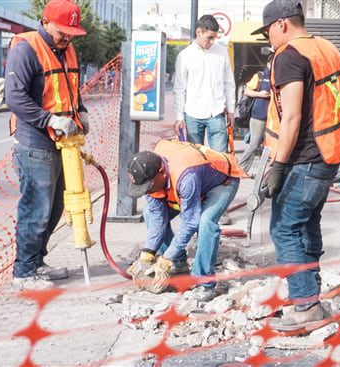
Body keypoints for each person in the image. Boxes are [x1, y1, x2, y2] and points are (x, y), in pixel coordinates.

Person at [251, 0, 340, 331]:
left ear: (282, 24)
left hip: (304, 159)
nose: (268, 38)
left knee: (284, 227)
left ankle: (306, 307)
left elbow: (292, 116)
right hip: (327, 156)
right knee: (306, 224)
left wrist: (279, 166)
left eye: (268, 30)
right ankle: (309, 295)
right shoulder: (326, 48)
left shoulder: (289, 56)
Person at [5, 0, 89, 291]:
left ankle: (37, 262)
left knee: (54, 208)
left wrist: (82, 110)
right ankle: (24, 273)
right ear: (46, 22)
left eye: (71, 33)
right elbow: (15, 99)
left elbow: (69, 89)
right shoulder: (26, 49)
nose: (67, 37)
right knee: (35, 209)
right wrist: (49, 120)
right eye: (62, 32)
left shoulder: (66, 48)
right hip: (35, 142)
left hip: (63, 143)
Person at [126, 140, 248, 301]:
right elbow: (156, 217)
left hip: (221, 182)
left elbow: (190, 221)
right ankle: (178, 263)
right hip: (189, 185)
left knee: (205, 222)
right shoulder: (151, 173)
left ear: (161, 173)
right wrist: (147, 253)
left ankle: (205, 284)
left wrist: (165, 258)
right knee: (149, 212)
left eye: (148, 187)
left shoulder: (186, 176)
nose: (146, 192)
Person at [173, 14, 236, 225]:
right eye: (209, 37)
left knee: (220, 161)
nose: (212, 42)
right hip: (192, 114)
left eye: (214, 38)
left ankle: (219, 208)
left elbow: (229, 82)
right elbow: (179, 88)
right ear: (198, 32)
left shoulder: (221, 53)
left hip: (217, 112)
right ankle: (195, 204)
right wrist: (179, 117)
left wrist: (232, 109)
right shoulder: (185, 56)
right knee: (194, 163)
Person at [238, 66, 271, 174]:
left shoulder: (279, 76)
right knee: (254, 144)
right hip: (258, 115)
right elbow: (246, 91)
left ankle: (261, 172)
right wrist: (260, 94)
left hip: (272, 117)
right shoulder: (260, 76)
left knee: (266, 146)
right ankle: (240, 168)